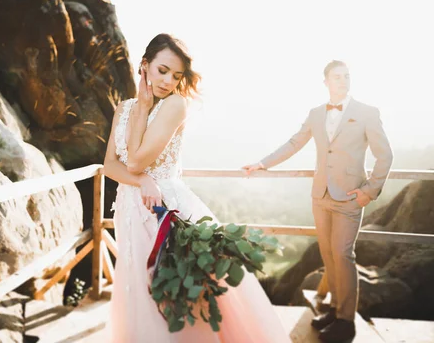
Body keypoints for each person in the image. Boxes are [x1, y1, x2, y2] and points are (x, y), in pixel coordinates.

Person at [103, 33, 290, 342]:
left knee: (175, 289)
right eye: (162, 70)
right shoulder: (123, 109)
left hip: (165, 208)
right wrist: (141, 179)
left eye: (176, 76)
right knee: (137, 288)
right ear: (145, 66)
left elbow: (134, 162)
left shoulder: (176, 104)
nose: (168, 81)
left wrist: (147, 106)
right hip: (130, 207)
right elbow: (110, 165)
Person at [243, 60, 393, 343]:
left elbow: (385, 155)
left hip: (351, 198)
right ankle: (334, 311)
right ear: (325, 82)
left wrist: (369, 191)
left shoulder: (367, 113)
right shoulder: (315, 114)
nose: (343, 81)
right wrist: (262, 163)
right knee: (329, 256)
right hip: (320, 196)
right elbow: (293, 143)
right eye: (337, 77)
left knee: (343, 255)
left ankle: (346, 322)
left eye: (346, 76)